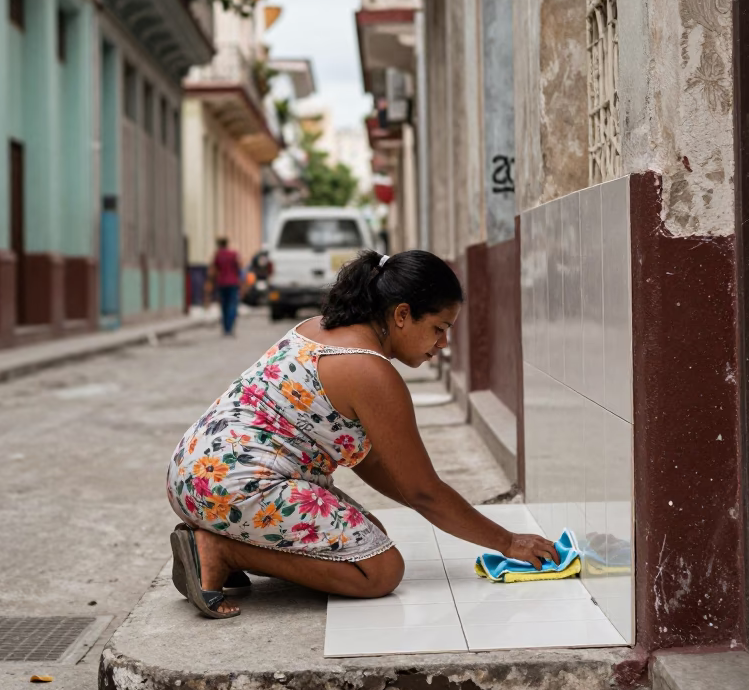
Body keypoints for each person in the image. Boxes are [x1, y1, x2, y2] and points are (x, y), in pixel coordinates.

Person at [167, 249, 559, 619]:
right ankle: (221, 551)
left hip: (193, 473)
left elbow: (376, 463)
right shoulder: (370, 371)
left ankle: (223, 537)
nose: (442, 344)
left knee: (368, 540)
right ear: (402, 314)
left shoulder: (320, 329)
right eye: (439, 329)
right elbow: (423, 491)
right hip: (235, 487)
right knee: (379, 570)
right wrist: (507, 543)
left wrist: (417, 498)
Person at [208, 237, 241, 336]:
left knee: (224, 305)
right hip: (233, 282)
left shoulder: (218, 255)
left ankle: (226, 328)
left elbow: (214, 269)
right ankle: (230, 327)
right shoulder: (233, 254)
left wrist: (210, 282)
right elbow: (239, 266)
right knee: (232, 305)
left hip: (221, 283)